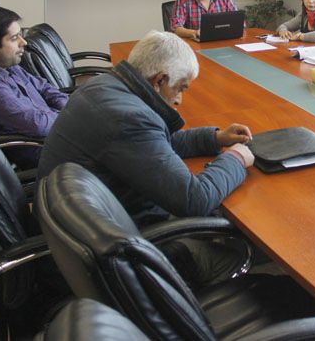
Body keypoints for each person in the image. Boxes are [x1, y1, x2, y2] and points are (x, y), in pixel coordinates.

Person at [38, 30, 255, 284]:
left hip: (89, 226)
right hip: (127, 254)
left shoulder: (105, 86)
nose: (179, 100)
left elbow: (154, 144)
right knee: (245, 245)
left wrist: (214, 139)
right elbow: (194, 199)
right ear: (159, 79)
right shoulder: (130, 119)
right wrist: (236, 159)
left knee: (221, 214)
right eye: (180, 88)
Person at [0, 6, 68, 169]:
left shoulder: (8, 65)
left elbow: (46, 89)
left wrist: (68, 109)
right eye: (14, 38)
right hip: (42, 152)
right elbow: (37, 125)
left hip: (58, 135)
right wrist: (71, 116)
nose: (24, 42)